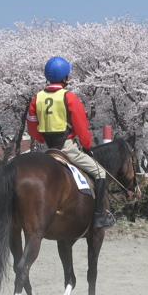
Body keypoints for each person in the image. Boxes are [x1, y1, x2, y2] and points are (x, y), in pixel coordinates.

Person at [26, 56, 115, 228]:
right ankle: (98, 217)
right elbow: (82, 128)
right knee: (100, 173)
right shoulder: (69, 97)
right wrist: (87, 146)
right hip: (66, 148)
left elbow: (31, 128)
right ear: (65, 77)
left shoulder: (37, 98)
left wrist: (43, 139)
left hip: (47, 148)